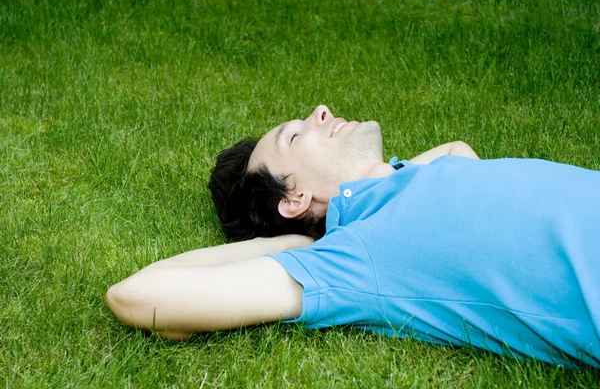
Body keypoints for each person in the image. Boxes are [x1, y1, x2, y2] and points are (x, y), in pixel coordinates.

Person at [106, 105, 600, 368]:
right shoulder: (356, 255)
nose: (320, 110)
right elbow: (136, 296)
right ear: (293, 200)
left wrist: (378, 175)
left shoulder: (406, 181)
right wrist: (296, 244)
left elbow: (457, 150)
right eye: (295, 136)